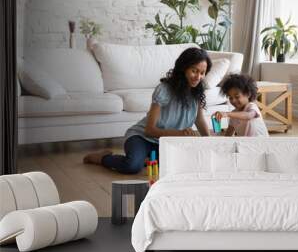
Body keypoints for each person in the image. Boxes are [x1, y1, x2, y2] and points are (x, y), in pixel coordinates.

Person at [83, 47, 212, 173]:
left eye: (202, 73)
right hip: (142, 138)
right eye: (194, 71)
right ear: (183, 68)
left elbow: (199, 120)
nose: (198, 77)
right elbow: (150, 130)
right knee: (132, 166)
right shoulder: (164, 90)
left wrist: (212, 142)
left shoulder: (197, 92)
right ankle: (102, 157)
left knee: (190, 162)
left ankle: (147, 158)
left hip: (167, 143)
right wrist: (179, 133)